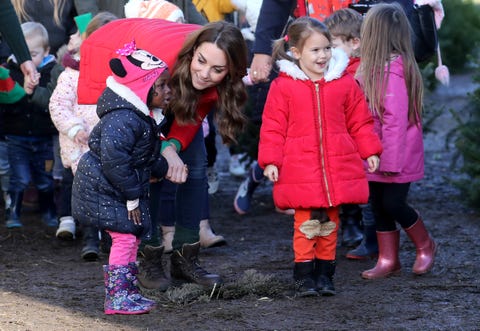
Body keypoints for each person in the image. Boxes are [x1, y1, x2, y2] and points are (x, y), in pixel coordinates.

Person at [258, 16, 382, 296]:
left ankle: (325, 275)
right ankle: (304, 276)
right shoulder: (284, 87)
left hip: (337, 168)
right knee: (305, 225)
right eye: (315, 50)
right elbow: (273, 127)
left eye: (326, 48)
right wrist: (271, 161)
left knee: (329, 224)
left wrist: (370, 150)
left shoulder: (344, 83)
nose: (323, 55)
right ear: (297, 52)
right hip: (300, 170)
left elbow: (359, 122)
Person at [71, 41, 170, 314]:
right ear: (142, 88)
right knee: (125, 238)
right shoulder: (123, 119)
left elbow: (143, 156)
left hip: (116, 188)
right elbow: (116, 162)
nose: (168, 92)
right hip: (105, 189)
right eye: (161, 86)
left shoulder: (139, 117)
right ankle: (116, 296)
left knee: (131, 239)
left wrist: (161, 169)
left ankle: (127, 291)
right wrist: (132, 196)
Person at [357, 2, 437, 279]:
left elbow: (394, 123)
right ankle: (388, 259)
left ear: (374, 35)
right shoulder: (373, 68)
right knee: (378, 206)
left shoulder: (393, 72)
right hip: (377, 155)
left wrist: (388, 162)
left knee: (393, 204)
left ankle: (425, 245)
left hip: (395, 157)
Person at [48, 12, 118, 262]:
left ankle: (112, 236)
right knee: (88, 191)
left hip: (111, 143)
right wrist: (75, 128)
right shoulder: (72, 74)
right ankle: (90, 236)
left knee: (113, 190)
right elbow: (58, 105)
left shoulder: (121, 72)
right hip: (82, 143)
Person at [0, 22, 58, 229]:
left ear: (46, 51)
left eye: (33, 54)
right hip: (17, 137)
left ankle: (49, 212)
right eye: (22, 53)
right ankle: (12, 213)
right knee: (20, 178)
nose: (28, 59)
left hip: (43, 137)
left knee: (45, 178)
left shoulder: (52, 73)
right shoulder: (9, 71)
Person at [324, 8, 370, 251]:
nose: (327, 52)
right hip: (337, 134)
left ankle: (357, 222)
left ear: (355, 42)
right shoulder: (330, 68)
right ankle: (346, 221)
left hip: (356, 134)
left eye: (332, 45)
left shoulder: (361, 69)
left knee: (356, 180)